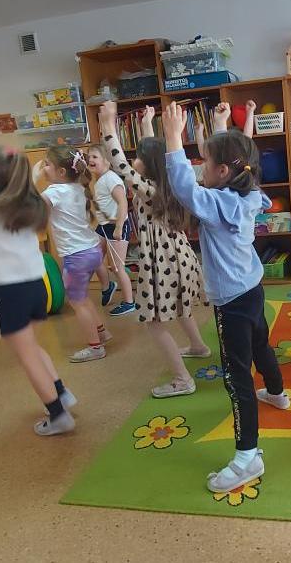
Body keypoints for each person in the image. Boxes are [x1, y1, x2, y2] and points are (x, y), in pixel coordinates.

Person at [162, 102, 288, 494]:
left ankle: (247, 456)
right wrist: (220, 127)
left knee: (236, 378)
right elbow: (236, 158)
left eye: (204, 161)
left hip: (232, 300)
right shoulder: (247, 193)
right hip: (251, 288)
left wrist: (173, 139)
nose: (199, 166)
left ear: (221, 172)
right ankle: (278, 392)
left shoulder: (218, 203)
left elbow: (185, 189)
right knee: (260, 343)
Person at [0, 112, 76, 436]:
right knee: (32, 346)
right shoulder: (31, 200)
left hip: (8, 290)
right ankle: (61, 393)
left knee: (26, 355)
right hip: (37, 286)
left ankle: (58, 415)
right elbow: (1, 167)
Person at [101, 102, 211, 398]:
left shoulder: (147, 189)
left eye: (139, 157)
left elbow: (120, 166)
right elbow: (153, 152)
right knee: (180, 306)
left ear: (148, 165)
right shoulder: (167, 183)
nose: (134, 160)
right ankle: (198, 346)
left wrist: (108, 125)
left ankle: (183, 379)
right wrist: (147, 122)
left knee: (153, 322)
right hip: (179, 256)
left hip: (163, 261)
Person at [34, 147, 113, 363]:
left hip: (76, 258)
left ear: (61, 172)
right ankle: (102, 332)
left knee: (77, 302)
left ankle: (95, 347)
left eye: (47, 164)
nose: (44, 167)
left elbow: (34, 208)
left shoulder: (55, 192)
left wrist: (34, 179)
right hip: (92, 251)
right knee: (83, 298)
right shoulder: (78, 188)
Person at [87, 144, 137, 317]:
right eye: (89, 157)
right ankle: (108, 287)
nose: (90, 159)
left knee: (117, 267)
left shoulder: (110, 178)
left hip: (116, 226)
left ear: (107, 162)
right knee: (93, 257)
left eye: (95, 157)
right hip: (103, 226)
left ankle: (129, 302)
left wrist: (119, 227)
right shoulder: (100, 179)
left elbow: (123, 202)